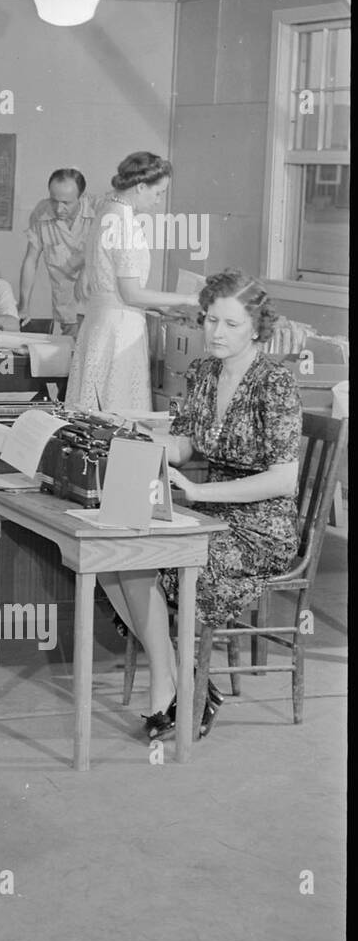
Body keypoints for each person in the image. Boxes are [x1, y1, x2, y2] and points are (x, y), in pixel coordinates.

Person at [99, 270, 303, 743]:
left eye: (231, 324)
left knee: (148, 563)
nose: (216, 333)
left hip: (260, 525)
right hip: (211, 512)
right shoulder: (205, 371)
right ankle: (187, 681)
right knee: (113, 559)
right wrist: (135, 435)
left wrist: (199, 494)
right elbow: (189, 445)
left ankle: (167, 687)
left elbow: (284, 480)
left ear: (256, 326)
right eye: (211, 320)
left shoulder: (274, 383)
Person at [65, 152, 196, 414]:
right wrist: (189, 299)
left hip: (99, 323)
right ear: (140, 187)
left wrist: (161, 308)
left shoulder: (106, 212)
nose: (159, 201)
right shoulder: (125, 224)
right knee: (117, 412)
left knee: (94, 409)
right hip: (119, 331)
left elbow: (114, 288)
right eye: (158, 193)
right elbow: (131, 294)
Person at [18, 168, 97, 333]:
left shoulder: (99, 211)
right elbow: (31, 261)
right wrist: (24, 305)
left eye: (67, 203)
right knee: (72, 353)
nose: (59, 208)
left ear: (81, 197)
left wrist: (87, 271)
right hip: (67, 306)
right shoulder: (42, 212)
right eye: (54, 200)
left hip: (97, 304)